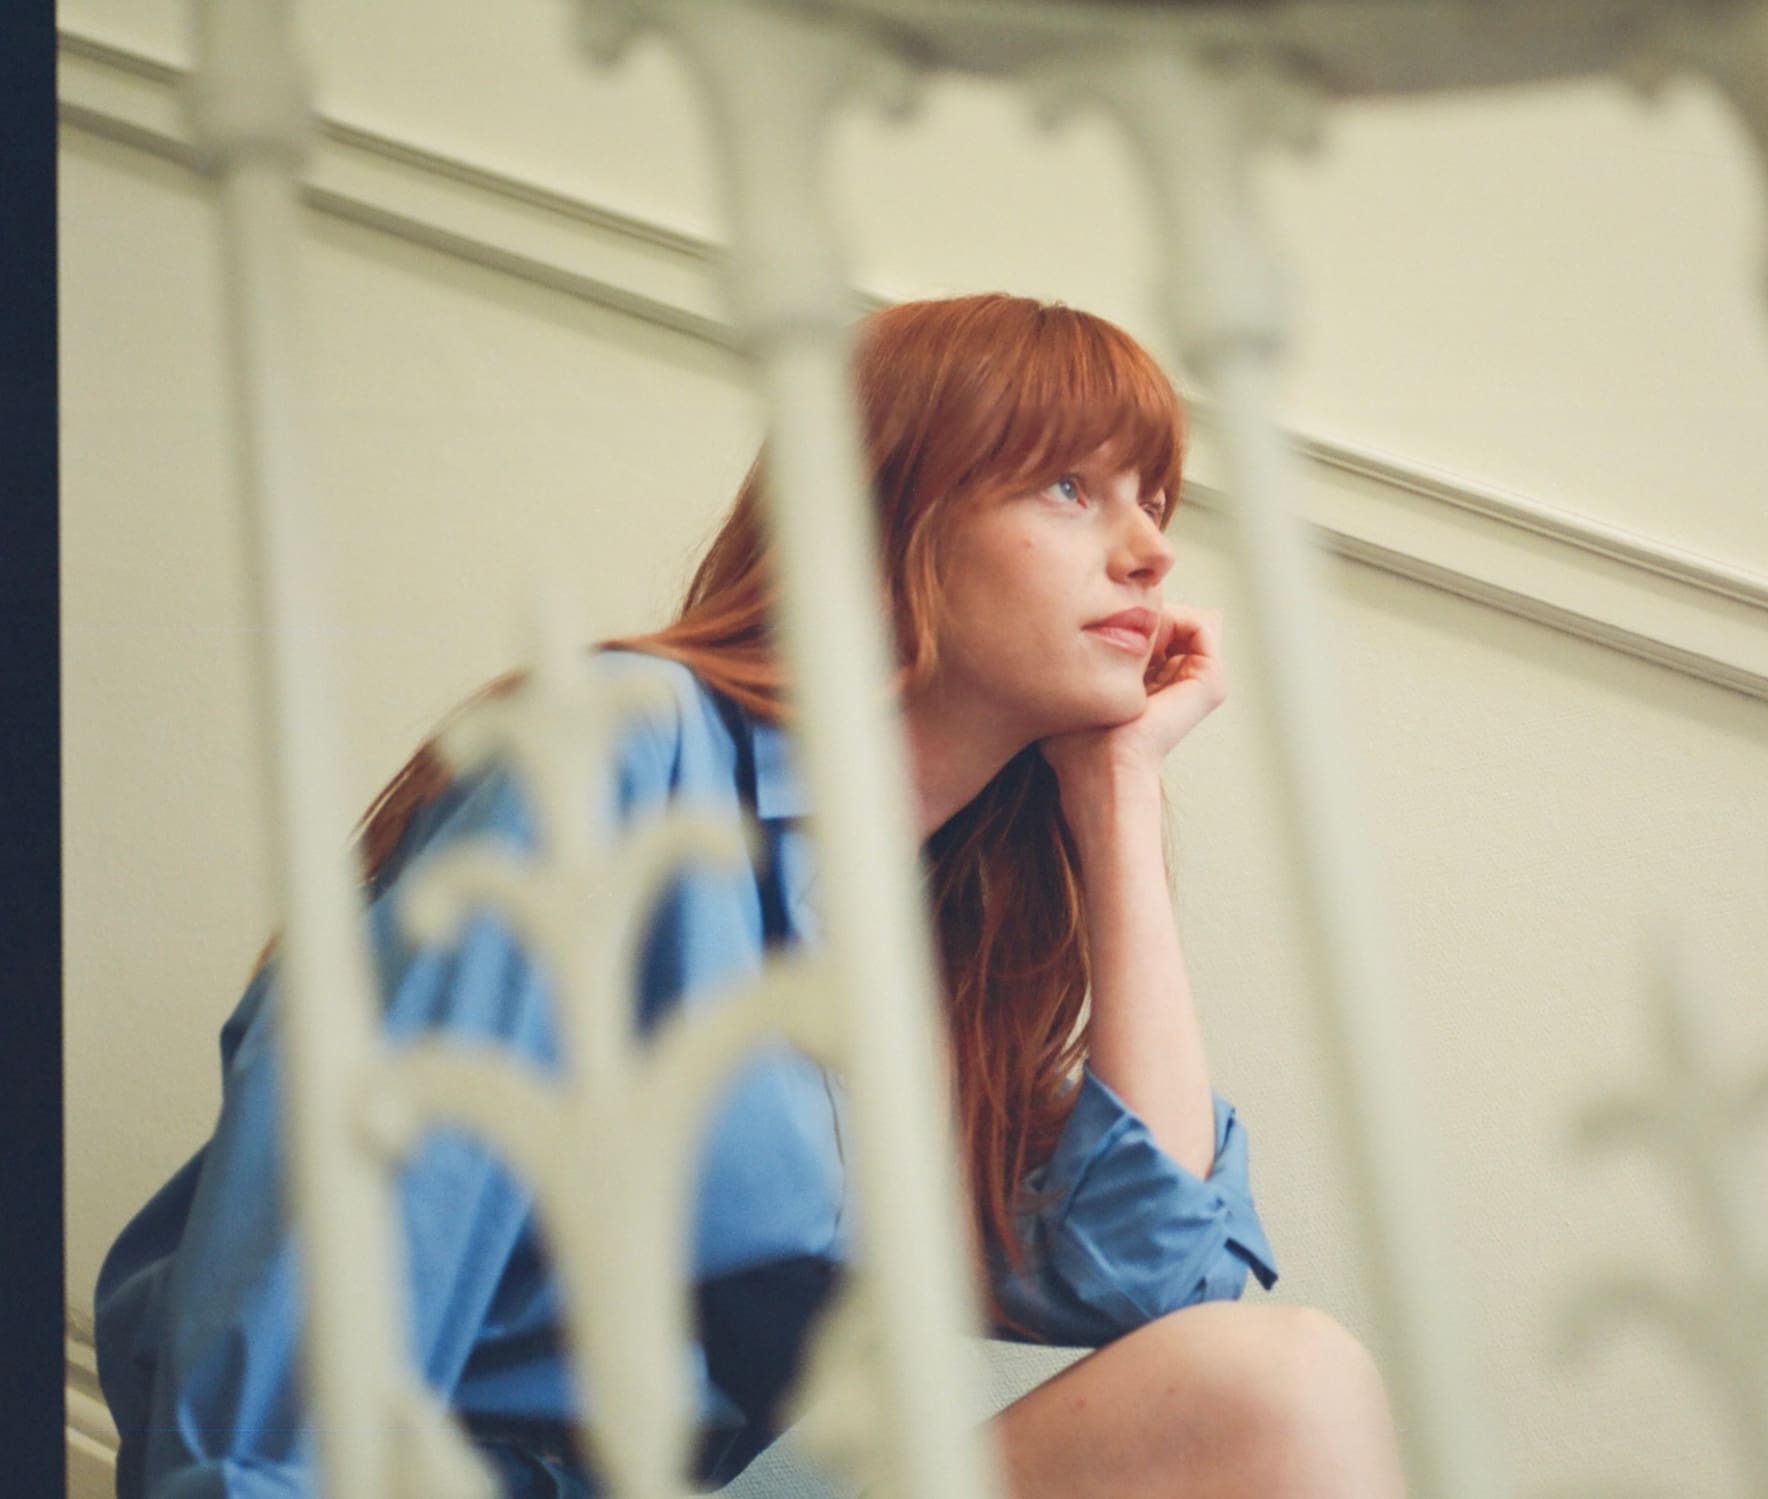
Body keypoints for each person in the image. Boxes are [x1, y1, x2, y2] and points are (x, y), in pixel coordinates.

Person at [93, 293, 1406, 1498]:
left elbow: (1170, 1291)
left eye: (1154, 500)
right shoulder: (624, 750)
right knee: (1285, 1389)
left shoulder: (937, 945)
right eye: (1072, 487)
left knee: (1280, 1390)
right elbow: (331, 1264)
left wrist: (1116, 795)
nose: (1147, 553)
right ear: (887, 521)